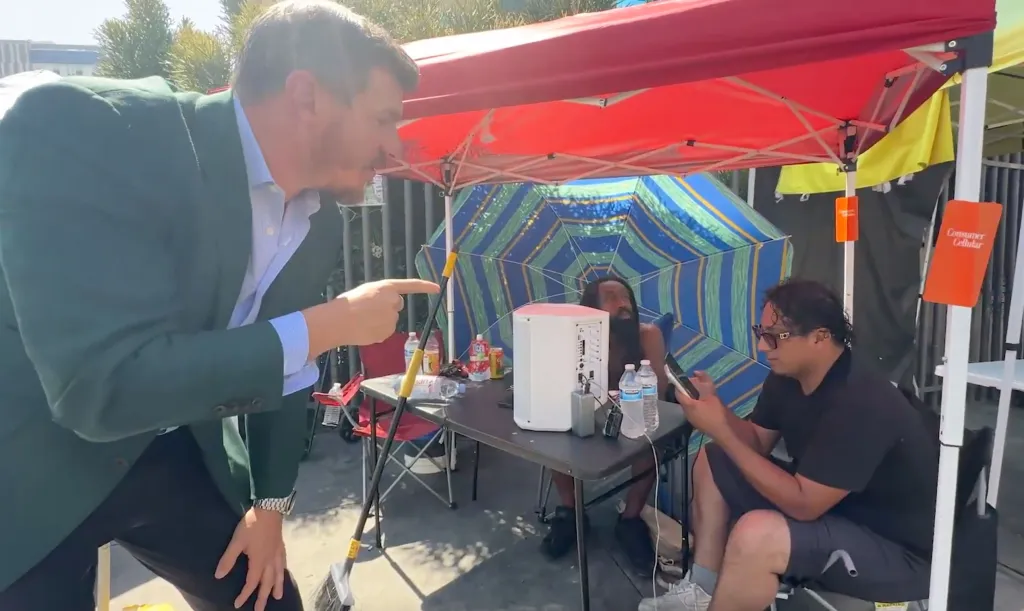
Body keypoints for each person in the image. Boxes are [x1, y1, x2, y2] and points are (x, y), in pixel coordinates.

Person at [0, 3, 439, 611]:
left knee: (269, 602)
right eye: (384, 119)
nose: (395, 146)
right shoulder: (84, 127)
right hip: (27, 463)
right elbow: (98, 391)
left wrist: (269, 508)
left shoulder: (317, 220)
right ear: (306, 95)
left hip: (165, 449)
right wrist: (331, 323)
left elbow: (286, 367)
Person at [640, 279, 939, 611]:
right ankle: (703, 590)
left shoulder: (860, 402)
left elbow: (803, 505)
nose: (764, 346)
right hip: (832, 507)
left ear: (819, 337)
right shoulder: (787, 376)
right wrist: (717, 411)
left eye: (775, 336)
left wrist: (720, 430)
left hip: (894, 548)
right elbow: (756, 441)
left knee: (757, 536)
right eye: (760, 332)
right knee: (714, 459)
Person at [541, 276, 668, 576]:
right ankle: (572, 513)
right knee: (552, 430)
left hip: (633, 417)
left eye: (626, 297)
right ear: (591, 307)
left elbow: (659, 393)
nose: (623, 304)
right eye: (611, 297)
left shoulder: (648, 335)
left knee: (652, 442)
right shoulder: (577, 337)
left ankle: (631, 520)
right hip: (586, 414)